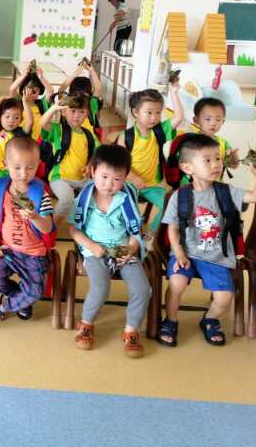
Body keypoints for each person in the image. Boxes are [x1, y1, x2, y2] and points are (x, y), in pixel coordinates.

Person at [158, 134, 256, 348]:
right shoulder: (180, 196)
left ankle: (210, 319)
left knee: (225, 297)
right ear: (187, 168)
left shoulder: (226, 192)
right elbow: (172, 228)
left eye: (217, 158)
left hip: (217, 257)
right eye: (207, 160)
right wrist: (178, 254)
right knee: (176, 283)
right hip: (187, 254)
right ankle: (171, 319)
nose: (216, 164)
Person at [69, 145, 150, 357]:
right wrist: (91, 246)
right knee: (101, 287)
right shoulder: (85, 198)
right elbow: (74, 229)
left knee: (142, 289)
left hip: (122, 250)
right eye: (104, 177)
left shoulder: (126, 198)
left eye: (117, 179)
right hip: (94, 251)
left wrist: (131, 248)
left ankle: (131, 331)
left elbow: (136, 230)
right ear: (92, 171)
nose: (109, 184)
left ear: (125, 177)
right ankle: (86, 324)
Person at [0, 137, 54, 321]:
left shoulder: (40, 194)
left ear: (38, 165)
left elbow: (47, 228)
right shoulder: (0, 190)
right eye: (17, 168)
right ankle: (19, 298)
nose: (23, 174)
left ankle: (6, 304)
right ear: (5, 163)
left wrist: (35, 217)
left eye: (30, 167)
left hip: (33, 253)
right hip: (7, 249)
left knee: (36, 292)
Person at [116, 87, 183, 231]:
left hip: (151, 186)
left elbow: (178, 117)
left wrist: (174, 93)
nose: (154, 117)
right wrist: (133, 178)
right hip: (127, 185)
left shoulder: (159, 131)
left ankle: (150, 235)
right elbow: (119, 164)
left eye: (158, 112)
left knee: (171, 206)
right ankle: (132, 234)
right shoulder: (126, 136)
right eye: (149, 112)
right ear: (136, 112)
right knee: (130, 214)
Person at [41, 91, 99, 222]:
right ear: (64, 112)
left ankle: (87, 225)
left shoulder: (89, 135)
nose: (77, 116)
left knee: (100, 192)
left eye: (81, 112)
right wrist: (54, 108)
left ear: (87, 113)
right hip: (59, 178)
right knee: (67, 199)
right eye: (72, 111)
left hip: (82, 179)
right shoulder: (58, 130)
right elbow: (43, 123)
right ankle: (52, 225)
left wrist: (89, 165)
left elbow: (95, 154)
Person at [0, 96, 32, 186]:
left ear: (21, 120)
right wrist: (3, 98)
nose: (11, 120)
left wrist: (24, 102)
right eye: (7, 116)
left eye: (16, 118)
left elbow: (30, 123)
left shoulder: (21, 135)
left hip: (15, 170)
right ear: (0, 117)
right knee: (1, 185)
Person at [8, 67, 53, 141]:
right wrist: (23, 75)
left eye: (35, 91)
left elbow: (50, 91)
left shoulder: (41, 104)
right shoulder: (18, 103)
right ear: (23, 89)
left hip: (38, 141)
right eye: (28, 90)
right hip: (21, 140)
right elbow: (12, 89)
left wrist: (41, 77)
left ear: (40, 92)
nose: (31, 94)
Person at [59, 60, 103, 134]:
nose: (80, 96)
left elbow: (98, 89)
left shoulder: (90, 104)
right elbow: (62, 89)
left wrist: (90, 71)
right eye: (73, 111)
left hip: (86, 139)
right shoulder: (67, 103)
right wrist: (78, 72)